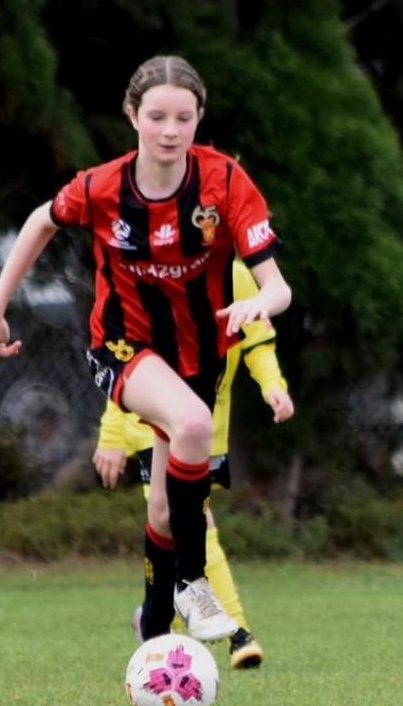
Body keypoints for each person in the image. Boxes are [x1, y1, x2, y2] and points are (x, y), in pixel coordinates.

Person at [0, 55, 292, 643]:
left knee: (164, 509)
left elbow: (277, 284)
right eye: (156, 117)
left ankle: (152, 626)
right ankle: (193, 586)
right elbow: (40, 221)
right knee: (195, 425)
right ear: (132, 116)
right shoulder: (101, 187)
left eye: (183, 117)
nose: (170, 131)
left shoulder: (224, 182)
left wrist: (262, 302)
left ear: (200, 118)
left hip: (199, 358)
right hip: (122, 346)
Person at [92, 258, 295, 668]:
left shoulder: (237, 275)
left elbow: (257, 343)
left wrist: (274, 387)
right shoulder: (151, 273)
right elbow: (126, 366)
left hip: (206, 429)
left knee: (176, 524)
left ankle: (155, 622)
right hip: (149, 428)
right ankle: (237, 630)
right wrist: (112, 436)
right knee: (195, 519)